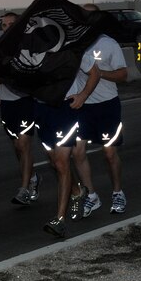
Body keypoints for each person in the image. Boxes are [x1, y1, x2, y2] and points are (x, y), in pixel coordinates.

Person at [35, 48, 101, 239]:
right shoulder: (29, 54)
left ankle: (60, 220)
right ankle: (78, 191)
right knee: (55, 162)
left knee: (62, 162)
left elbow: (94, 72)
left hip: (65, 109)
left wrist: (82, 95)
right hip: (41, 109)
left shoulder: (71, 51)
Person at [71, 3, 128, 217]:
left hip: (106, 104)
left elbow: (123, 75)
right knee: (77, 152)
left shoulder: (108, 44)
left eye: (87, 16)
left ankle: (117, 192)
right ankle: (92, 196)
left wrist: (96, 73)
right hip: (81, 106)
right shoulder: (73, 43)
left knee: (109, 152)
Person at [0, 12, 41, 206]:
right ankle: (33, 177)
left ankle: (24, 189)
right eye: (4, 25)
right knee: (17, 146)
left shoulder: (30, 46)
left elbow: (35, 73)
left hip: (25, 101)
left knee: (23, 145)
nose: (7, 28)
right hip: (6, 102)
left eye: (11, 24)